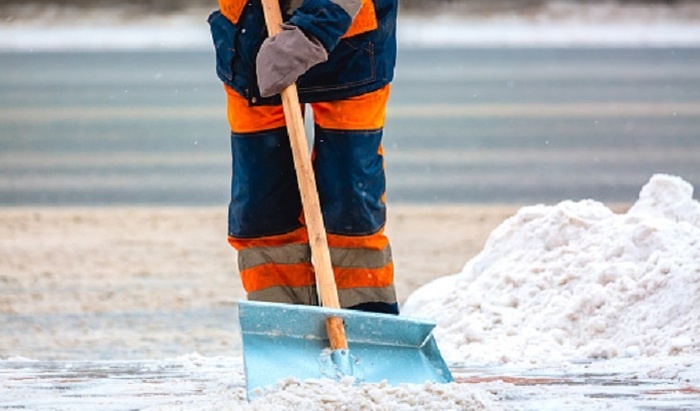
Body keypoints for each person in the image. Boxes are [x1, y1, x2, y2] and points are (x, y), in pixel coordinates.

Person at [208, 0, 399, 314]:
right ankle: (283, 324)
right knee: (264, 214)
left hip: (351, 50)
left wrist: (310, 33)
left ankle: (365, 323)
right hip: (252, 49)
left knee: (350, 210)